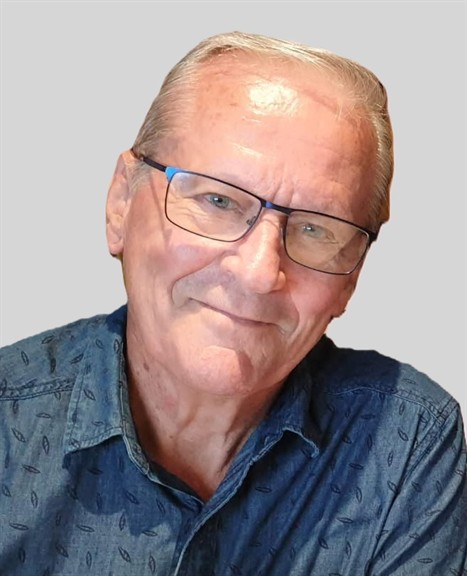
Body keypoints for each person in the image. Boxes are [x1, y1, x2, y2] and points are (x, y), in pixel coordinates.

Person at [0, 30, 465, 576]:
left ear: (353, 275)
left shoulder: (403, 440)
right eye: (218, 200)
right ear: (121, 201)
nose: (259, 273)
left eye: (316, 229)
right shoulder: (11, 423)